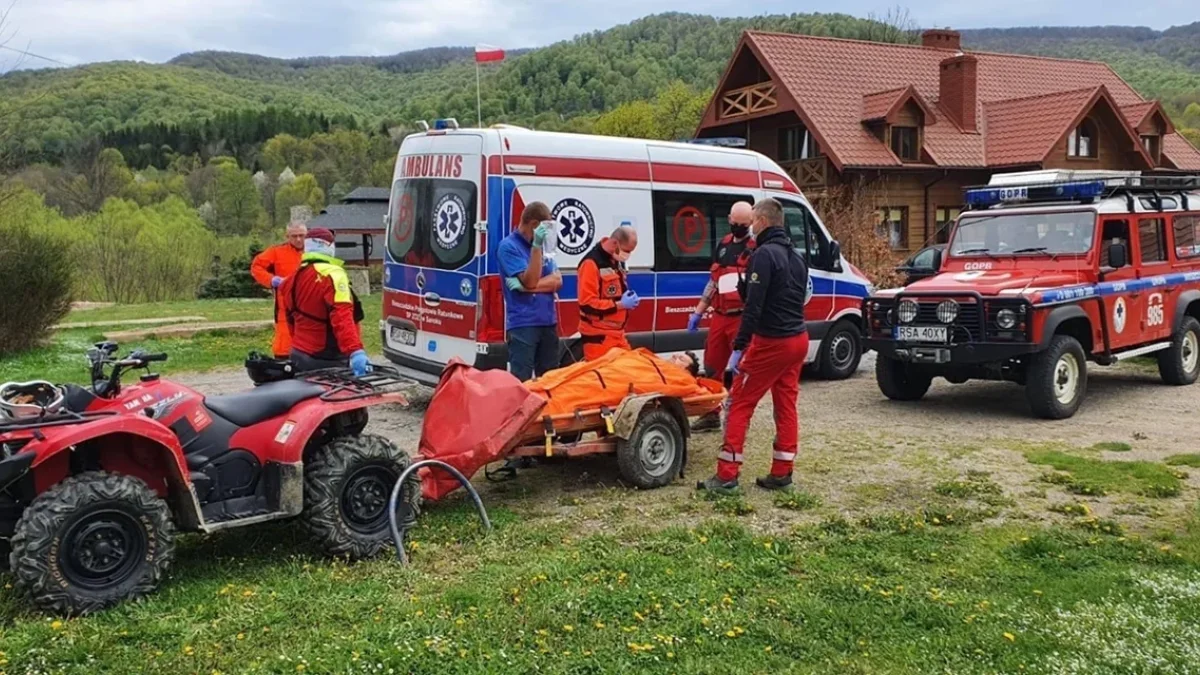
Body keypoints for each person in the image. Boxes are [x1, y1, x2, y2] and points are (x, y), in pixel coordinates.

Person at [698, 198, 809, 493]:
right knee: (786, 404)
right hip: (798, 338)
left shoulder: (763, 254)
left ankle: (726, 476)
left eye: (753, 222)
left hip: (772, 340)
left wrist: (741, 346)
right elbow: (798, 299)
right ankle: (783, 471)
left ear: (760, 221)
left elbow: (755, 307)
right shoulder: (796, 256)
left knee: (738, 402)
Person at [687, 201, 756, 431]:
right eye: (735, 223)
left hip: (741, 317)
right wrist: (698, 311)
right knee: (712, 366)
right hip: (719, 316)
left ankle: (738, 417)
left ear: (751, 223)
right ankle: (711, 414)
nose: (738, 227)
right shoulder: (723, 245)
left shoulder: (755, 249)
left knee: (741, 371)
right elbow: (713, 282)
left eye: (743, 224)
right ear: (729, 220)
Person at [279, 228, 371, 376]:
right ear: (329, 246)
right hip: (327, 358)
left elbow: (291, 320)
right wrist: (355, 350)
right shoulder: (333, 274)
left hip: (298, 353)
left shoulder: (291, 279)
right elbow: (342, 316)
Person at [498, 202, 563, 381]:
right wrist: (535, 248)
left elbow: (558, 280)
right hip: (523, 323)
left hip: (548, 321)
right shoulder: (508, 247)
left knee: (550, 380)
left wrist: (525, 288)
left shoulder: (544, 248)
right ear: (534, 225)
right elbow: (531, 279)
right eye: (545, 227)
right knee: (521, 381)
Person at [577, 225, 639, 361]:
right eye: (627, 251)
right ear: (615, 243)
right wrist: (620, 305)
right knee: (604, 378)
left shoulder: (614, 260)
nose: (628, 255)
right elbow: (587, 304)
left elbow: (613, 291)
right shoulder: (591, 263)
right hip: (598, 337)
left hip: (617, 335)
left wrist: (627, 298)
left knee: (631, 371)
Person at [250, 221, 307, 358]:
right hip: (285, 306)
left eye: (301, 235)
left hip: (309, 303)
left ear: (307, 235)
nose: (298, 239)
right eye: (294, 236)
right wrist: (271, 280)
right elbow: (256, 267)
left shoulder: (315, 252)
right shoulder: (277, 252)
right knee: (284, 345)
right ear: (287, 236)